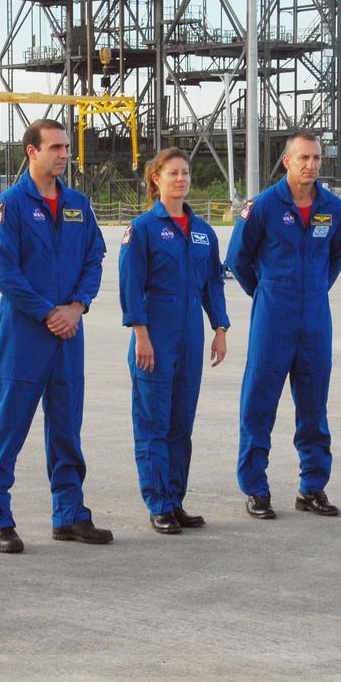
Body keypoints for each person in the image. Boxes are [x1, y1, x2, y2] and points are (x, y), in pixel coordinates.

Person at [0, 119, 109, 553]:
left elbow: (94, 259)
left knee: (67, 426)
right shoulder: (10, 205)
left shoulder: (77, 204)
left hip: (69, 333)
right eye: (54, 147)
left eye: (66, 147)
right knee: (10, 426)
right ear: (31, 152)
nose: (63, 154)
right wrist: (47, 311)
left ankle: (69, 514)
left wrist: (77, 307)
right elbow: (6, 273)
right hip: (25, 334)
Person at [225, 129, 341, 521]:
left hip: (315, 318)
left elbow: (337, 256)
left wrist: (314, 289)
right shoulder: (262, 206)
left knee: (314, 406)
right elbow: (238, 260)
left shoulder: (332, 207)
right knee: (259, 404)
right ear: (287, 161)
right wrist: (267, 292)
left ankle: (312, 486)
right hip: (272, 318)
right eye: (303, 158)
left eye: (316, 158)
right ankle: (256, 488)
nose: (311, 165)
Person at [119, 149, 230, 533]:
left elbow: (213, 282)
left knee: (181, 423)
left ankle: (176, 499)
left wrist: (220, 328)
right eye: (172, 173)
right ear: (156, 179)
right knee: (154, 421)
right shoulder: (143, 229)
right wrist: (140, 334)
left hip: (191, 335)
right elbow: (130, 285)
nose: (181, 179)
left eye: (185, 173)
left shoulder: (202, 232)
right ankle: (158, 503)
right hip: (155, 333)